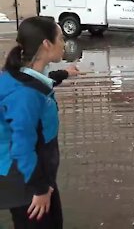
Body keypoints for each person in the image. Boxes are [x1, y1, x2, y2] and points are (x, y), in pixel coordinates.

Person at [0, 16, 75, 229]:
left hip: (34, 174)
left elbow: (39, 83)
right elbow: (22, 147)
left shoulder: (19, 75)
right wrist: (40, 189)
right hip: (27, 180)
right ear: (46, 44)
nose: (64, 43)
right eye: (61, 38)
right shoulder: (26, 94)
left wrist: (64, 74)